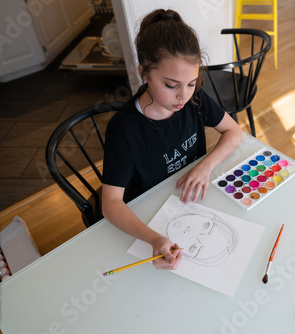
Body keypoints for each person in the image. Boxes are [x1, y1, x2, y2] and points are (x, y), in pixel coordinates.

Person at [101, 9, 243, 271]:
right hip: (149, 213)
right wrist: (153, 238)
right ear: (144, 73)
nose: (183, 96)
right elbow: (110, 204)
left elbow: (234, 132)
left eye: (191, 83)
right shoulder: (124, 129)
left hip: (193, 201)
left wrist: (205, 166)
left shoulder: (195, 99)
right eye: (171, 85)